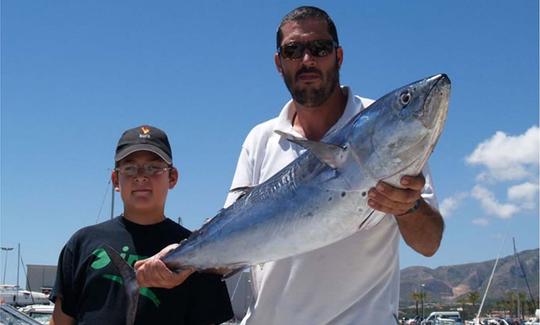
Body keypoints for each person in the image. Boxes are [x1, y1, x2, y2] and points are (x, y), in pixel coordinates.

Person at [137, 6, 444, 324]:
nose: (307, 60)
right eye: (293, 50)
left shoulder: (383, 135)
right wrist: (179, 260)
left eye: (319, 48)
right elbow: (231, 232)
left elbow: (429, 243)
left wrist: (409, 208)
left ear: (338, 57)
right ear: (278, 62)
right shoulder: (261, 138)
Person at [50, 125, 233, 325]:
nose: (141, 176)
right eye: (129, 168)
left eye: (154, 168)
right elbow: (60, 321)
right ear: (115, 179)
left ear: (172, 177)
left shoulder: (196, 252)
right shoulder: (82, 243)